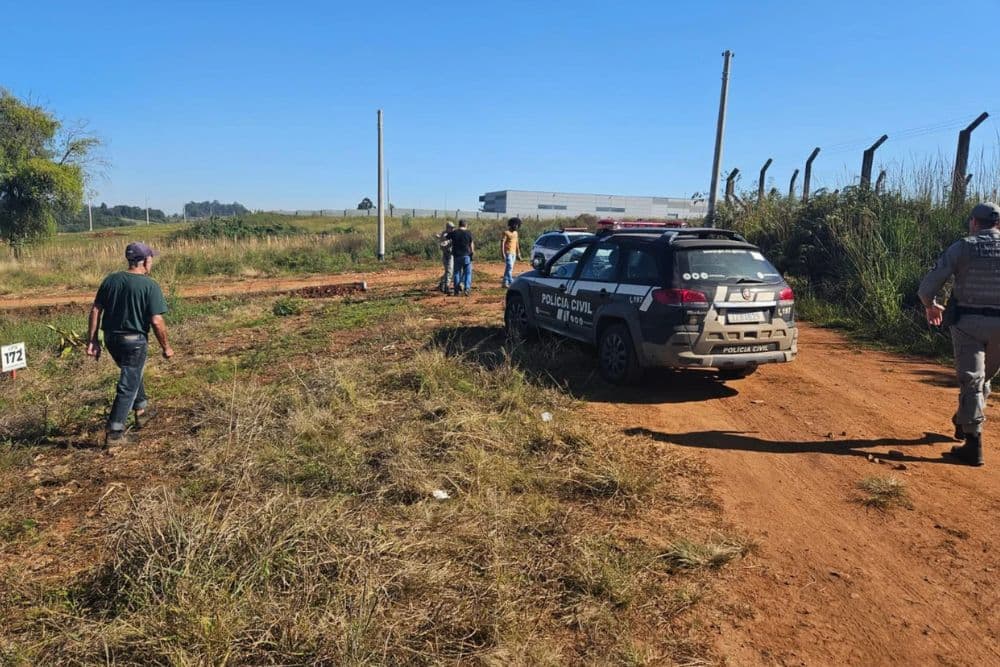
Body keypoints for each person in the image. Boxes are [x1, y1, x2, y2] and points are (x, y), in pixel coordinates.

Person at [918, 202, 1000, 466]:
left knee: (972, 379)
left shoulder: (964, 246)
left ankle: (973, 445)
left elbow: (929, 284)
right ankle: (964, 420)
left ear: (974, 222)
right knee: (983, 378)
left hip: (968, 322)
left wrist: (930, 305)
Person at [86, 242, 174, 445]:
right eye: (151, 258)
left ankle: (141, 410)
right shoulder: (149, 285)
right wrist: (166, 347)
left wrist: (92, 340)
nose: (152, 262)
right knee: (128, 383)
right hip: (134, 341)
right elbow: (157, 321)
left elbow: (96, 310)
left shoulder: (111, 280)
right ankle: (115, 432)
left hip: (111, 339)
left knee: (132, 373)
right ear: (144, 261)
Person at [448, 219, 475, 296]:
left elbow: (445, 237)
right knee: (468, 273)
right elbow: (471, 244)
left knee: (456, 272)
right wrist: (472, 253)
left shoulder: (454, 233)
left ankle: (457, 290)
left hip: (456, 256)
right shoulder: (468, 233)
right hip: (466, 256)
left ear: (459, 225)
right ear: (466, 225)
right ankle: (467, 289)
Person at [500, 217, 522, 288]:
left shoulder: (516, 233)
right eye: (516, 225)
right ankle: (511, 282)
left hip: (514, 253)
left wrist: (518, 253)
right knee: (509, 267)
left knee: (509, 268)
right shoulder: (506, 233)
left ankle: (504, 283)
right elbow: (502, 243)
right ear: (511, 224)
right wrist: (502, 253)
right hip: (508, 252)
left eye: (518, 225)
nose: (517, 226)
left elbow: (517, 243)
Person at [435, 221, 455, 293]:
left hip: (451, 254)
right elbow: (443, 244)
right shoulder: (445, 234)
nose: (453, 229)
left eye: (453, 227)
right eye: (451, 228)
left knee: (449, 271)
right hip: (446, 254)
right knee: (449, 271)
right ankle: (446, 286)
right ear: (447, 228)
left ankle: (443, 284)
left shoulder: (451, 234)